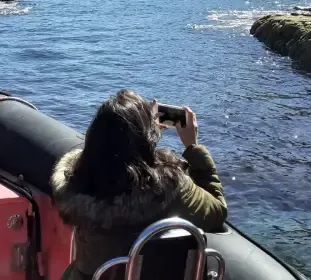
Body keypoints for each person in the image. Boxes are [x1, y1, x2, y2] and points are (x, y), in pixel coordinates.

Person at [51, 89, 228, 280]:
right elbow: (217, 210)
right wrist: (192, 147)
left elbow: (107, 157)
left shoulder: (77, 189)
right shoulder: (170, 189)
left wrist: (141, 133)